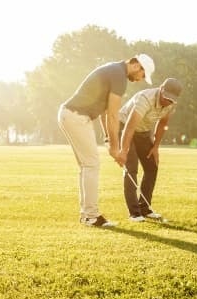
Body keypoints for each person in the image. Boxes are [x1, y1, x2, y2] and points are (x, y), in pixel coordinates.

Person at [58, 54, 154, 227]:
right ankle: (91, 216)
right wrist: (116, 149)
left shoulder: (115, 70)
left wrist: (109, 139)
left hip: (72, 115)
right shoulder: (119, 76)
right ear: (136, 66)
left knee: (87, 166)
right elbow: (113, 115)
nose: (140, 80)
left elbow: (104, 112)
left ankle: (87, 214)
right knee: (91, 164)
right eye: (142, 75)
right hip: (76, 116)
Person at [116, 77, 183, 222]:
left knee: (152, 166)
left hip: (143, 131)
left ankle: (145, 208)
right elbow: (129, 127)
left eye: (171, 100)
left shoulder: (171, 104)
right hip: (124, 127)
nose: (167, 101)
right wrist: (123, 150)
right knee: (131, 168)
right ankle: (134, 213)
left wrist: (156, 146)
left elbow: (163, 123)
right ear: (161, 89)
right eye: (166, 97)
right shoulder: (145, 99)